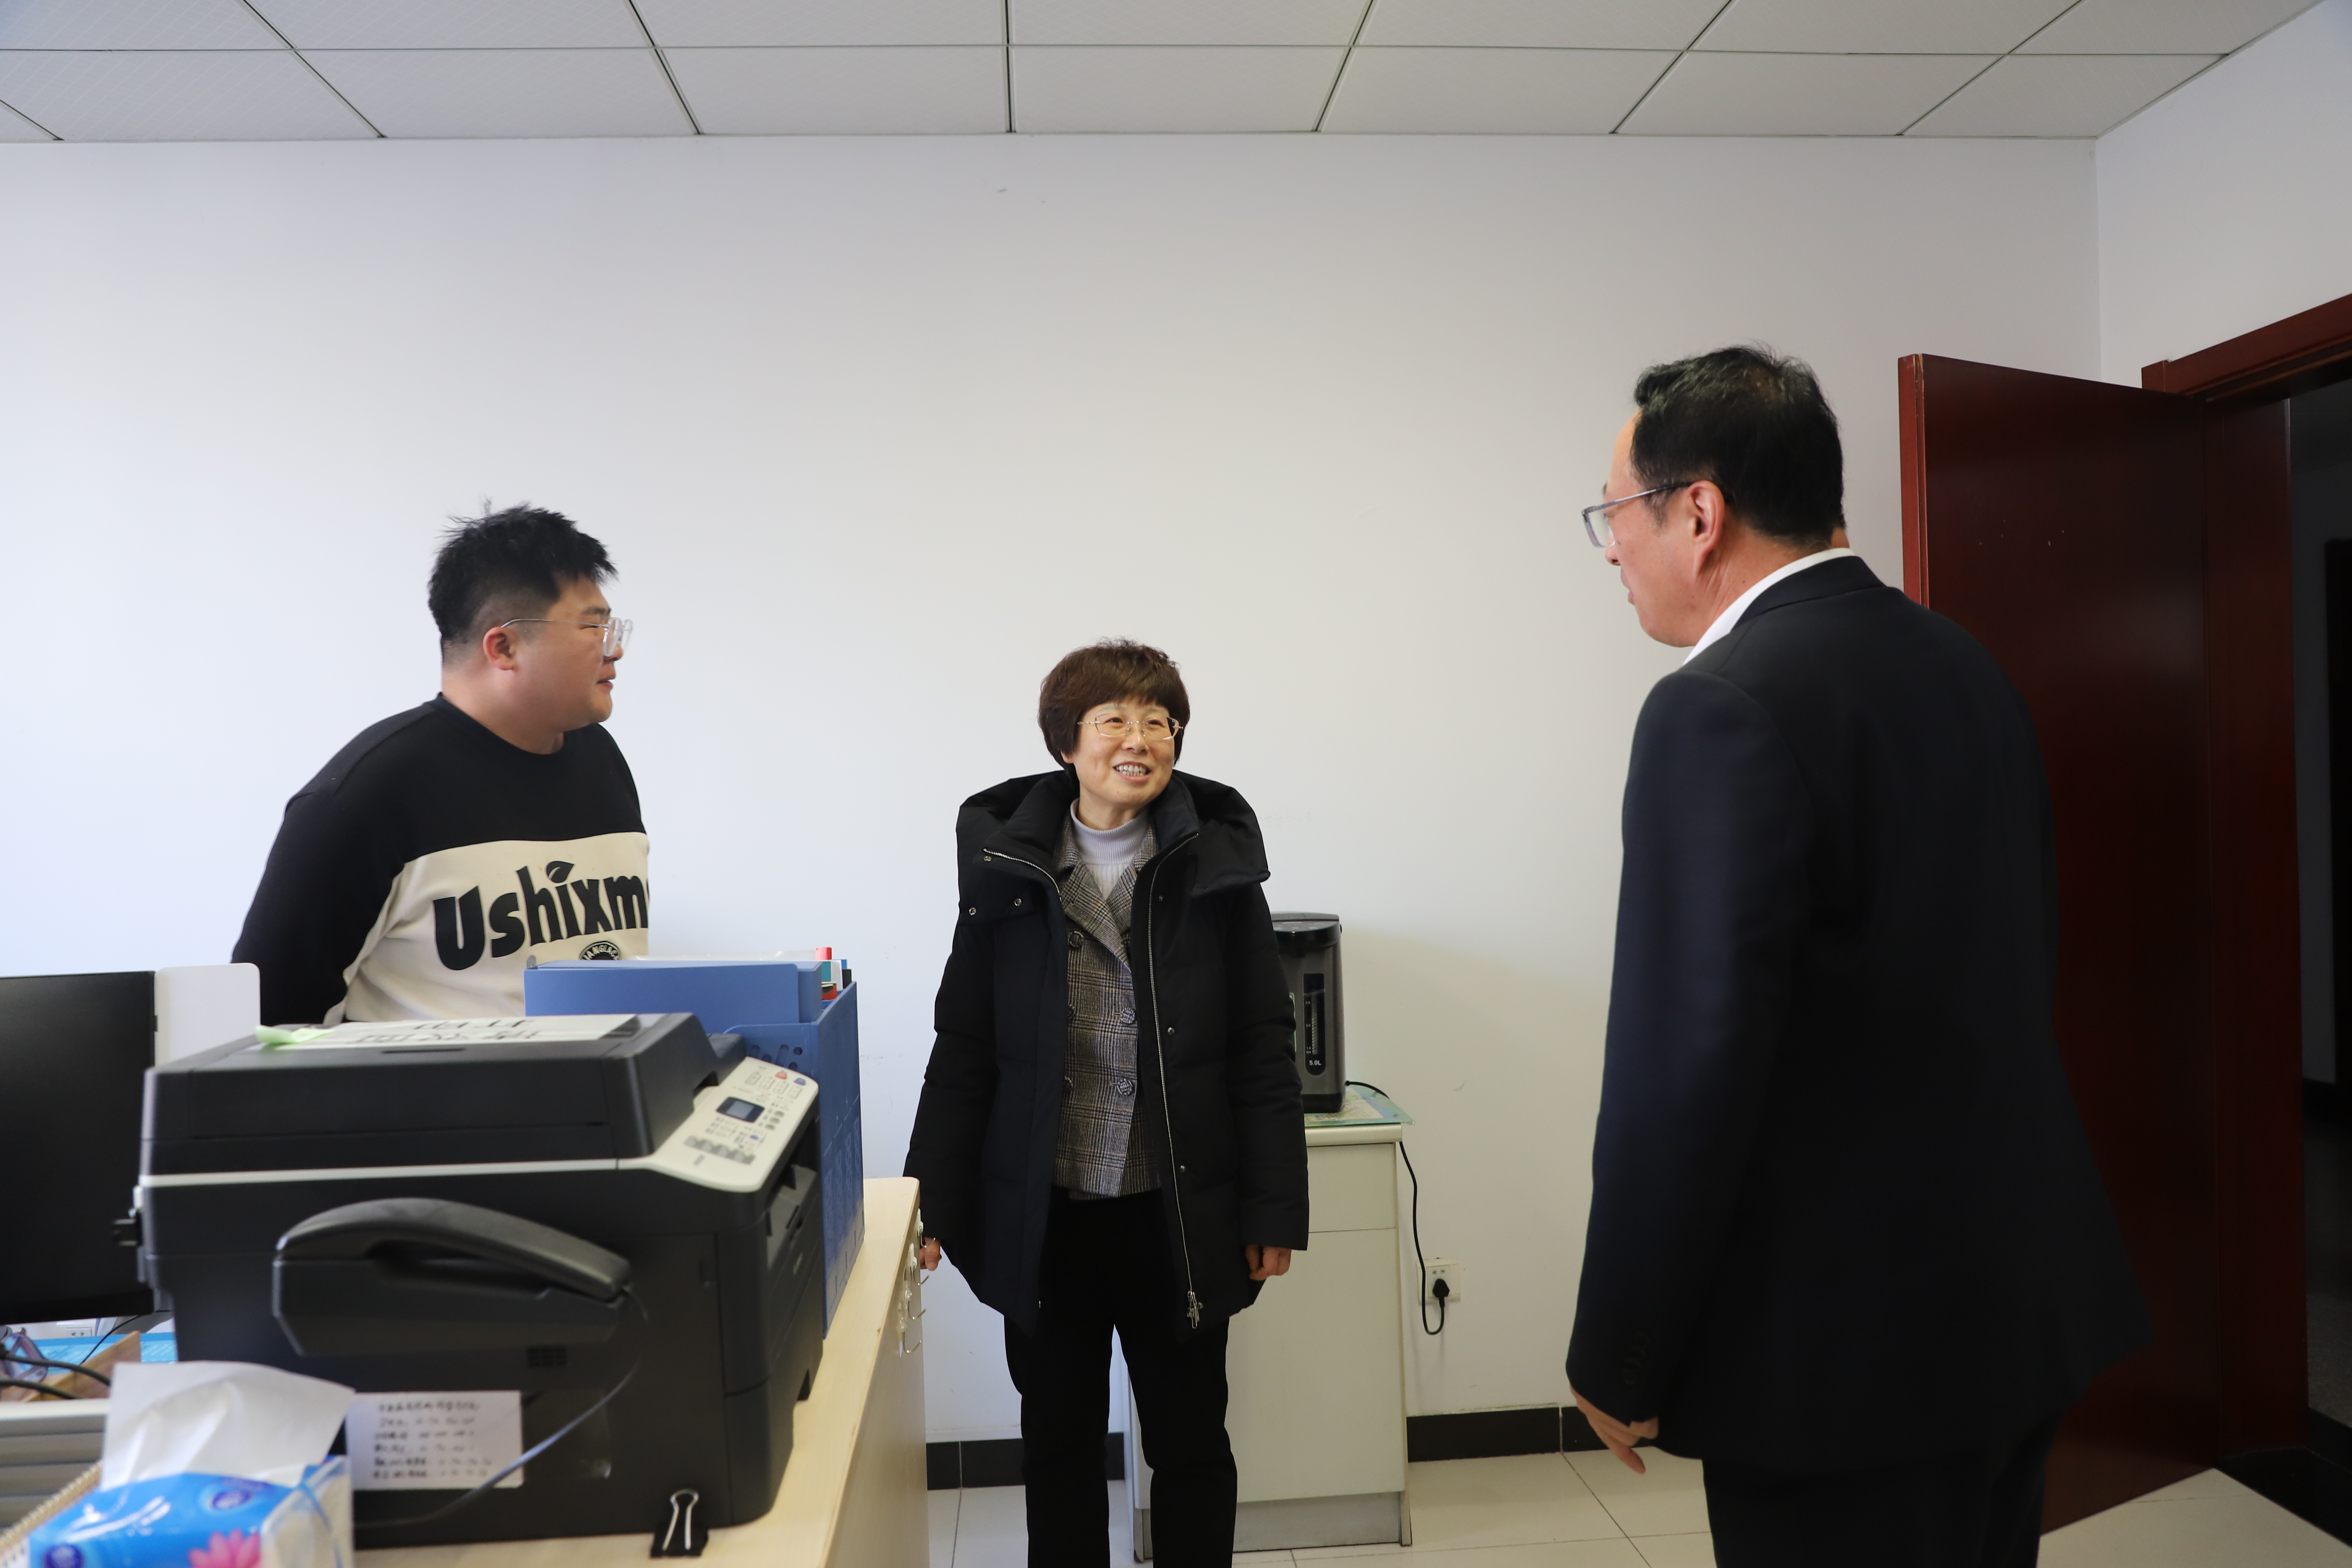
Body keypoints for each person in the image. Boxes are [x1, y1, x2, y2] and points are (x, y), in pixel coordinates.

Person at [1564, 348, 2148, 1567]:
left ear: (1700, 513)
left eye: (1616, 514)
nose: (1611, 550)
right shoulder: (1963, 663)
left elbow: (1686, 1072)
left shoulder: (1718, 706)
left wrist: (1621, 1350)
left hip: (1843, 1361)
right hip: (2012, 1308)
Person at [905, 639, 1307, 1567]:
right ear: (1067, 743)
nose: (1140, 739)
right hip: (1047, 1216)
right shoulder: (1006, 871)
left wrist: (1274, 1207)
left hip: (1178, 1213)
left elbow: (1261, 1044)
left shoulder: (1216, 869)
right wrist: (934, 1200)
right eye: (1114, 719)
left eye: (1159, 720)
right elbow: (965, 1048)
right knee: (1058, 1444)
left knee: (1191, 1442)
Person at [233, 505, 649, 1024]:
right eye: (593, 627)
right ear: (504, 646)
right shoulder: (370, 792)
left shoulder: (600, 759)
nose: (614, 651)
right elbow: (267, 1019)